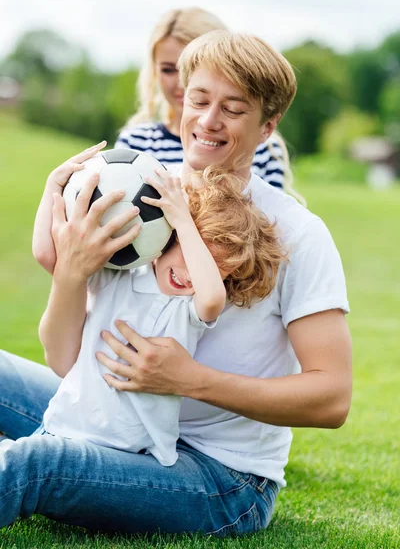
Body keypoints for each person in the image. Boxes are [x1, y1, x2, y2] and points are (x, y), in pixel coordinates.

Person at [0, 30, 352, 536]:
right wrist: (72, 275)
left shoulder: (298, 233)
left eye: (233, 109)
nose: (208, 121)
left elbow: (332, 397)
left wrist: (188, 380)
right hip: (112, 422)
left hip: (220, 477)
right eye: (200, 100)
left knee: (37, 463)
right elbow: (65, 363)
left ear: (267, 126)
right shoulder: (132, 195)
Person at [37, 157, 284, 467]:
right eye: (190, 249)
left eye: (210, 267)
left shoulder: (189, 310)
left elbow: (211, 298)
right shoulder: (118, 275)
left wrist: (184, 221)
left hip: (133, 457)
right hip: (62, 428)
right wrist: (53, 188)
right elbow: (48, 255)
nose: (190, 275)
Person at [114, 7, 300, 197]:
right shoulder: (137, 142)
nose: (181, 82)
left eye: (233, 109)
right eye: (168, 70)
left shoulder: (262, 151)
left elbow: (267, 216)